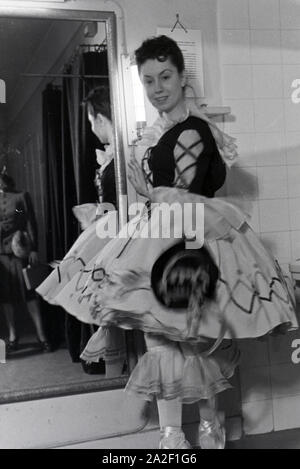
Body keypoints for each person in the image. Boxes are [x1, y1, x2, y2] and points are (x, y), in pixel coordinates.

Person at [36, 36, 298, 449]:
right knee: (165, 338)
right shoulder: (161, 132)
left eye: (165, 76)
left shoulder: (195, 130)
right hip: (166, 232)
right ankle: (174, 437)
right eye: (148, 81)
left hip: (190, 237)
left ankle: (203, 435)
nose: (158, 87)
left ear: (181, 76)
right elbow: (157, 190)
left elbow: (182, 192)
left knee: (198, 339)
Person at [37, 86, 126, 377]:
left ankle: (119, 366)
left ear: (100, 118)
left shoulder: (124, 154)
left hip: (122, 239)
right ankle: (116, 365)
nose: (90, 128)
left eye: (90, 121)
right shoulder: (112, 155)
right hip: (110, 234)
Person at [0, 170, 51, 353]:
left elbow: (27, 220)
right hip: (1, 254)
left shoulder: (20, 198)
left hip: (19, 250)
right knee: (6, 297)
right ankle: (13, 336)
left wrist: (33, 248)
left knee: (29, 294)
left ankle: (41, 335)